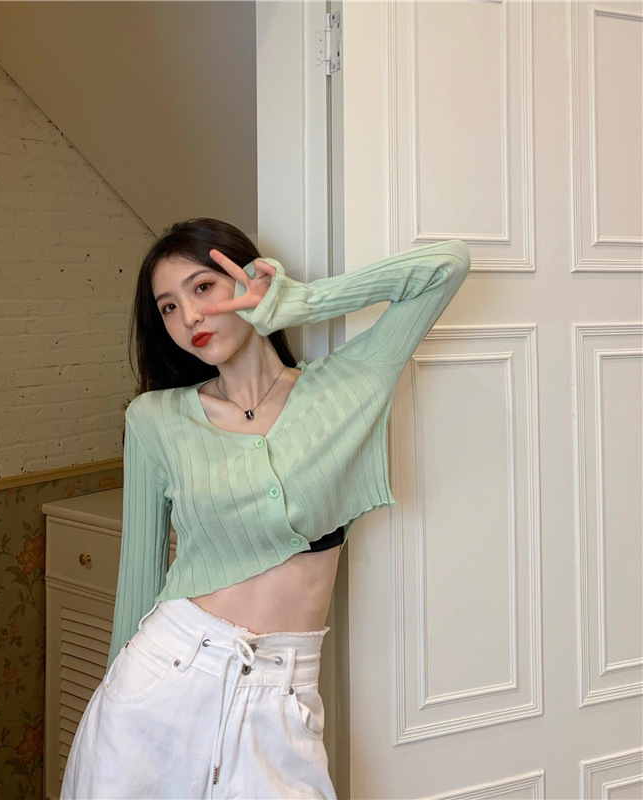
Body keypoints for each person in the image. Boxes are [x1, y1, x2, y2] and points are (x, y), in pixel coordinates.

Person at [61, 219, 471, 799]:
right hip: (161, 680)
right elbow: (140, 575)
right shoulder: (154, 419)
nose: (189, 317)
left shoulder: (348, 386)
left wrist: (297, 302)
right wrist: (115, 694)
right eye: (169, 307)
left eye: (203, 288)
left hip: (281, 692)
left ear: (247, 277)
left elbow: (447, 264)